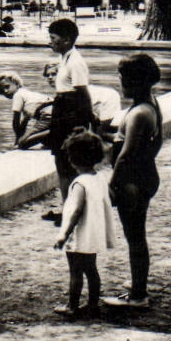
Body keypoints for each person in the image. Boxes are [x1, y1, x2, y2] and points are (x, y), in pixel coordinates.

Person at [103, 53, 163, 310]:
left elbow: (126, 155)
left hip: (133, 180)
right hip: (144, 174)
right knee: (136, 235)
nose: (121, 84)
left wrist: (112, 182)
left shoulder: (139, 113)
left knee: (135, 235)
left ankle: (138, 295)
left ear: (136, 81)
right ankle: (138, 282)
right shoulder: (150, 104)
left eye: (123, 79)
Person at [51, 129, 118, 320]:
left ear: (73, 159)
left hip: (80, 235)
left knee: (75, 272)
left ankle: (72, 306)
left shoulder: (79, 183)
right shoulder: (99, 179)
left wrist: (64, 233)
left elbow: (76, 210)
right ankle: (93, 304)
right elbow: (110, 198)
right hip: (93, 233)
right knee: (91, 269)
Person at [43, 17, 98, 220]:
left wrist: (88, 122)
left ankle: (71, 210)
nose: (50, 41)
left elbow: (82, 95)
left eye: (53, 37)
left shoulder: (75, 63)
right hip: (62, 111)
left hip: (70, 114)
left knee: (68, 163)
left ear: (66, 40)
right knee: (61, 163)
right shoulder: (65, 58)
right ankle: (66, 207)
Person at [0, 71, 52, 146]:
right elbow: (24, 123)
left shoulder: (18, 95)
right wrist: (20, 137)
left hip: (47, 115)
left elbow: (15, 121)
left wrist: (18, 141)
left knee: (23, 143)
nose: (5, 91)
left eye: (7, 86)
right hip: (55, 112)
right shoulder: (26, 95)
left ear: (16, 83)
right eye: (2, 90)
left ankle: (54, 131)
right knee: (44, 142)